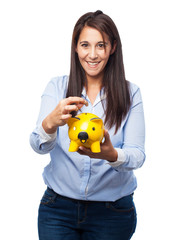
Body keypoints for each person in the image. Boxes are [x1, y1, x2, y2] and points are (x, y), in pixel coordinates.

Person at [30, 10, 146, 240]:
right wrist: (49, 124)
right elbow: (38, 146)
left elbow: (138, 155)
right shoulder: (57, 88)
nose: (92, 55)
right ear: (75, 47)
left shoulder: (131, 93)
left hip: (112, 213)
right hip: (57, 210)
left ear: (112, 47)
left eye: (100, 45)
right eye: (85, 45)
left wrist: (112, 155)